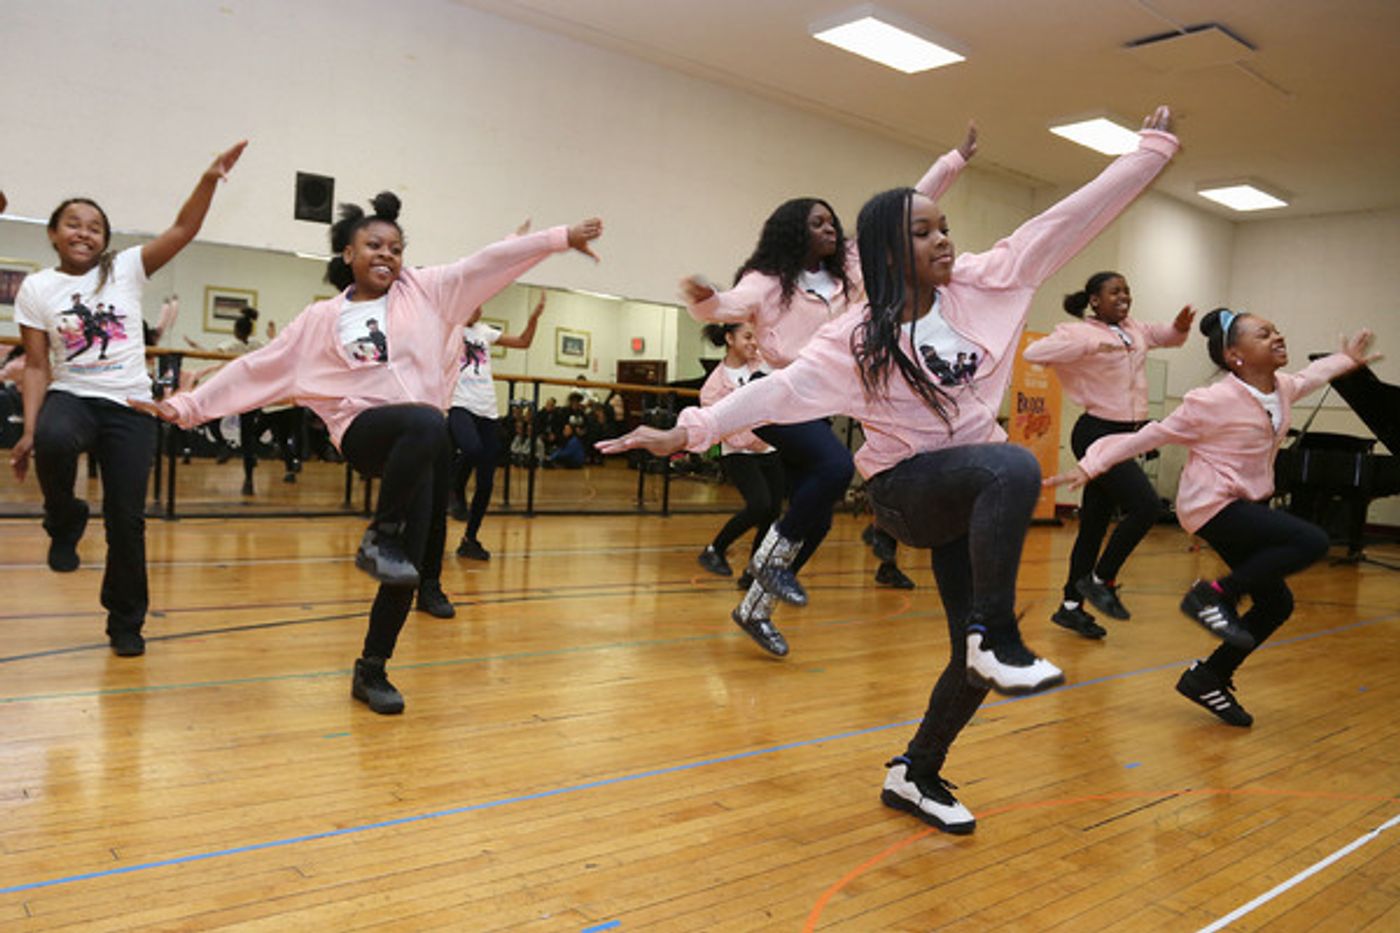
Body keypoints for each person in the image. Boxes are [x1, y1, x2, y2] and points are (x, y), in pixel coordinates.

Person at [603, 106, 1181, 833]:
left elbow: (1069, 219)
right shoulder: (855, 337)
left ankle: (917, 770)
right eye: (923, 231)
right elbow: (775, 392)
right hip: (905, 490)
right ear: (883, 250)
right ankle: (994, 635)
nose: (944, 239)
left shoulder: (989, 282)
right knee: (1011, 467)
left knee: (967, 656)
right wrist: (686, 428)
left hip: (967, 488)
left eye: (945, 226)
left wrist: (1151, 150)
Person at [133, 191, 603, 714]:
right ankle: (380, 535)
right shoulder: (320, 321)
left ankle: (371, 668)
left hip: (420, 445)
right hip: (362, 431)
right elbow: (259, 368)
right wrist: (190, 406)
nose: (387, 254)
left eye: (396, 247)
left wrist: (558, 239)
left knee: (405, 568)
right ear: (347, 256)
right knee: (425, 429)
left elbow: (484, 263)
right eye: (373, 245)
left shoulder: (427, 293)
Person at [680, 125, 977, 643]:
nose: (830, 230)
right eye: (818, 224)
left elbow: (901, 212)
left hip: (820, 401)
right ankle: (770, 567)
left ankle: (756, 605)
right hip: (777, 394)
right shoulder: (767, 280)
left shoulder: (849, 271)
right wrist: (704, 299)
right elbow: (726, 305)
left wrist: (952, 161)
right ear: (795, 231)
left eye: (832, 223)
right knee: (836, 466)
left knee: (817, 515)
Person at [1047, 310, 1376, 727]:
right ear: (1235, 355)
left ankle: (1209, 677)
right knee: (1311, 541)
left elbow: (1315, 373)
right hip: (1211, 505)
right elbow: (1152, 434)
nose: (1277, 336)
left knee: (1276, 603)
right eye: (1264, 333)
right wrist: (1092, 464)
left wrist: (1346, 360)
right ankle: (1214, 595)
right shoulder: (1212, 400)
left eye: (1276, 329)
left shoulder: (1282, 388)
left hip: (1244, 505)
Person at [9, 141, 247, 657]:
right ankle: (64, 518)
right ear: (53, 234)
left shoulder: (125, 270)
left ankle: (125, 620)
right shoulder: (37, 288)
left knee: (126, 520)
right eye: (73, 223)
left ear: (105, 241)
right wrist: (28, 429)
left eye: (95, 226)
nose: (84, 232)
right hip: (73, 394)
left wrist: (207, 180)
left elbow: (183, 231)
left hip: (131, 408)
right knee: (51, 439)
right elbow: (35, 364)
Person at [1022, 273, 1194, 638]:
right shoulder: (1078, 333)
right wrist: (1089, 348)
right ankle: (1101, 579)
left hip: (1127, 437)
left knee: (1093, 527)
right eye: (1115, 291)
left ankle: (1070, 607)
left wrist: (1179, 328)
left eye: (1127, 290)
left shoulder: (1135, 329)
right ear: (1095, 300)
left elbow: (1168, 337)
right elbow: (1033, 353)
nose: (1124, 297)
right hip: (1097, 433)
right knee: (1147, 506)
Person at [448, 292, 546, 560]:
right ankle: (454, 490)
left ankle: (470, 538)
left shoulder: (484, 331)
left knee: (486, 481)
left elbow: (524, 342)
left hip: (488, 410)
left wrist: (534, 318)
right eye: (472, 304)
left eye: (480, 304)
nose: (478, 308)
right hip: (459, 404)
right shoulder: (448, 329)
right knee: (471, 448)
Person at [695, 322, 785, 583]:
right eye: (747, 336)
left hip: (770, 449)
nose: (753, 342)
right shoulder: (712, 388)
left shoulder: (763, 364)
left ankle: (754, 571)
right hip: (738, 452)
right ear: (729, 338)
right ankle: (715, 549)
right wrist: (754, 439)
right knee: (759, 504)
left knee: (772, 513)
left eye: (755, 337)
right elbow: (720, 425)